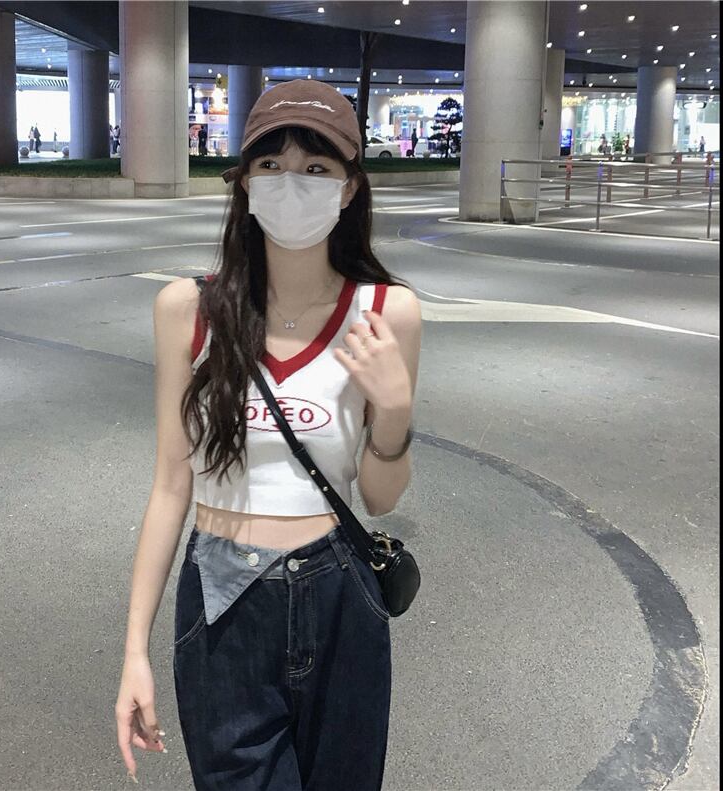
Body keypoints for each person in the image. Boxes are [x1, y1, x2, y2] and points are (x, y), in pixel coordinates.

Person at [115, 78, 422, 790]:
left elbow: (379, 498)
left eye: (316, 167)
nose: (292, 183)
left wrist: (394, 412)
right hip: (221, 597)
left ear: (349, 187)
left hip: (338, 590)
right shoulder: (188, 309)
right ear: (245, 182)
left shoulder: (386, 312)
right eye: (271, 164)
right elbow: (170, 485)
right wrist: (134, 650)